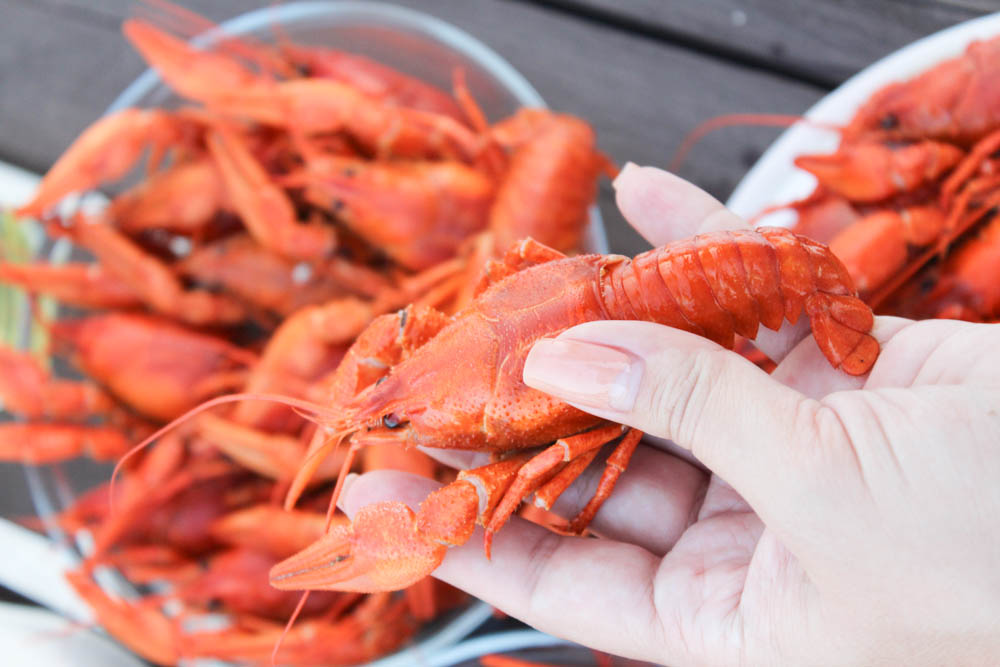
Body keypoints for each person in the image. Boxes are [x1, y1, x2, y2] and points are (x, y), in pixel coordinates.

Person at [339, 164, 1000, 665]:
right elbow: (451, 305)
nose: (391, 421)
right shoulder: (458, 320)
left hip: (757, 279)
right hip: (660, 278)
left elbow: (565, 447)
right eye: (393, 421)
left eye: (392, 421)